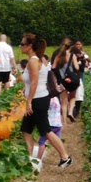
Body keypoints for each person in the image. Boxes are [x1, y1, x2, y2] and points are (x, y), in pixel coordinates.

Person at [18, 34, 71, 168]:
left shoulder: (33, 61)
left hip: (38, 100)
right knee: (26, 129)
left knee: (45, 130)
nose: (20, 46)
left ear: (30, 46)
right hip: (40, 98)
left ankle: (65, 157)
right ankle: (30, 160)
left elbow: (35, 83)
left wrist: (28, 101)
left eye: (22, 44)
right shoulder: (40, 59)